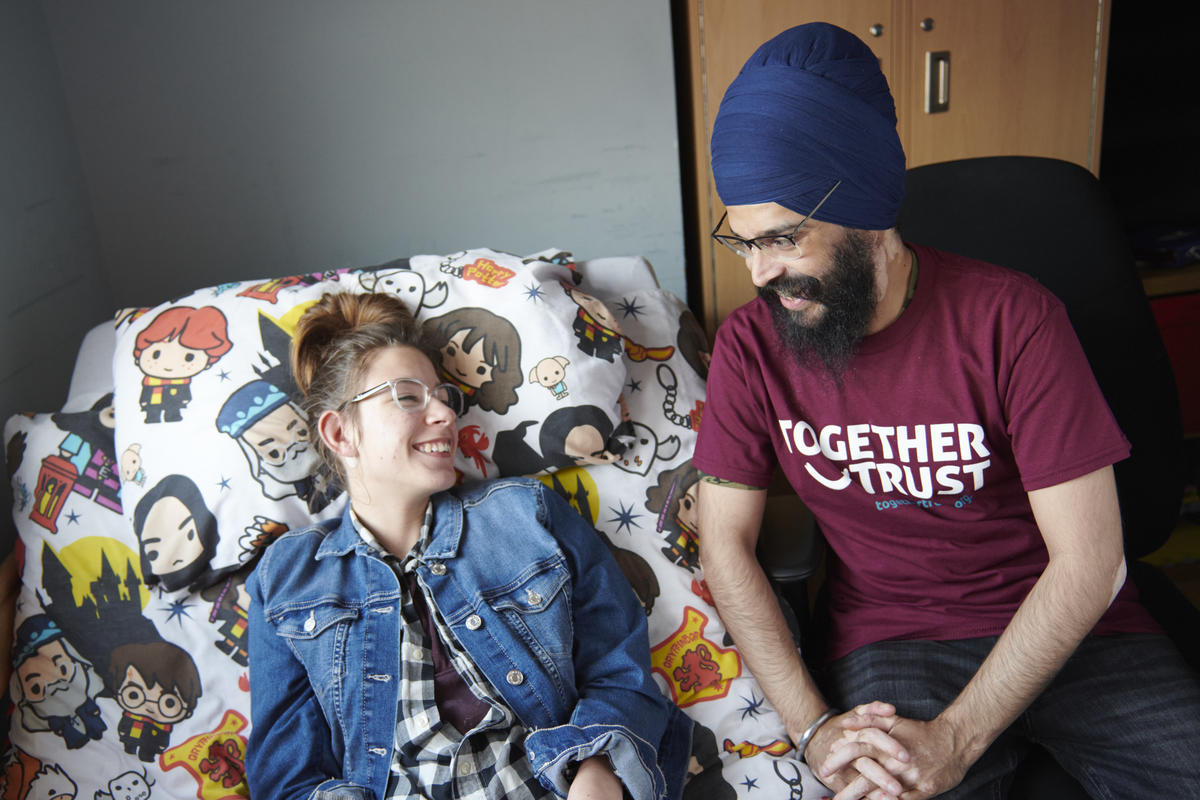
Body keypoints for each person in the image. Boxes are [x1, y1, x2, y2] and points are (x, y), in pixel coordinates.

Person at [693, 21, 1200, 800]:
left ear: (865, 212)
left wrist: (960, 739)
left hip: (1076, 632)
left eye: (787, 238)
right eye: (746, 241)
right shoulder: (750, 349)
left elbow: (1090, 563)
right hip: (898, 640)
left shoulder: (1015, 320)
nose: (763, 273)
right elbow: (724, 545)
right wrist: (813, 725)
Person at [246, 291, 690, 800]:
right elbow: (287, 778)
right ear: (341, 433)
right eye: (409, 396)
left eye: (444, 396)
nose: (444, 414)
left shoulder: (527, 515)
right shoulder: (285, 577)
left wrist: (597, 771)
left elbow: (621, 669)